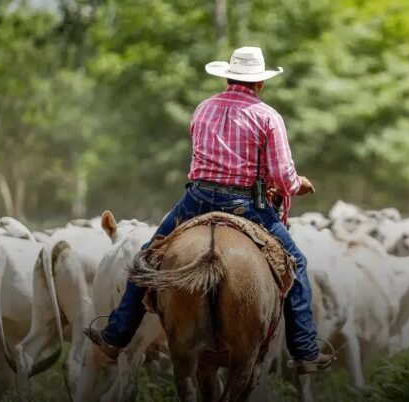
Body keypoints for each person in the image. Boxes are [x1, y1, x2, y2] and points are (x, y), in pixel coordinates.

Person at [85, 46, 333, 374]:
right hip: (246, 205)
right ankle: (304, 351)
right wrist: (298, 183)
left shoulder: (203, 109)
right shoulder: (268, 116)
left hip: (197, 199)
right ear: (260, 83)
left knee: (147, 258)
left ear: (227, 76)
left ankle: (116, 336)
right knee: (296, 263)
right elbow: (283, 179)